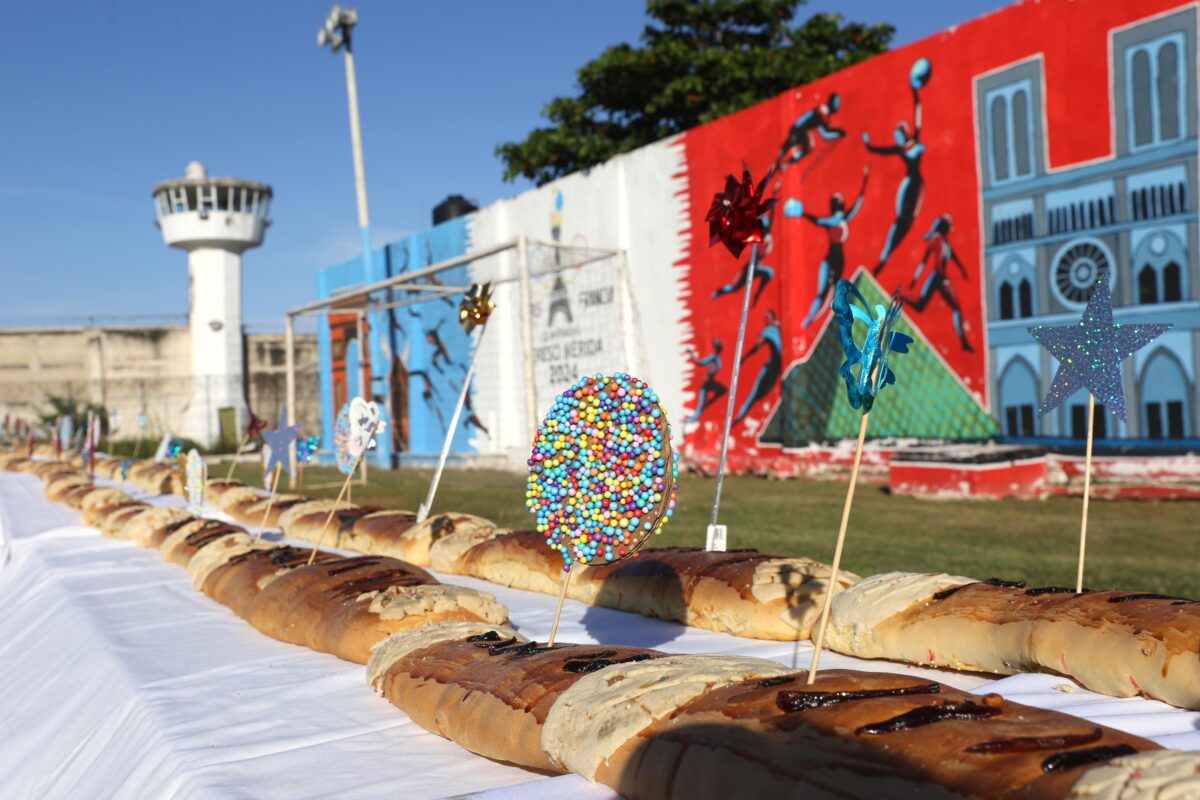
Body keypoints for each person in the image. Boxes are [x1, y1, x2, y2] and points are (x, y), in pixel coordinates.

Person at [864, 81, 926, 277]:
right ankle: (884, 257)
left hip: (917, 185)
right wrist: (869, 146)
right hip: (908, 184)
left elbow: (918, 110)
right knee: (899, 221)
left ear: (903, 133)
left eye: (897, 135)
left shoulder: (914, 139)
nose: (896, 139)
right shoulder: (900, 149)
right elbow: (883, 150)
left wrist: (914, 91)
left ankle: (886, 255)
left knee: (907, 222)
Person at [797, 166, 871, 328]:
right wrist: (802, 213)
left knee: (831, 293)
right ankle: (809, 319)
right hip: (832, 260)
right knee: (823, 292)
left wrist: (865, 179)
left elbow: (858, 201)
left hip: (836, 260)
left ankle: (823, 319)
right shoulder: (837, 220)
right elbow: (818, 221)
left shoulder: (840, 219)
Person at [904, 214, 974, 352]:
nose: (951, 228)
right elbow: (925, 261)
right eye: (949, 225)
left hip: (941, 278)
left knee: (955, 307)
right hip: (938, 278)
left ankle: (964, 341)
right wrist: (915, 278)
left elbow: (954, 257)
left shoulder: (946, 242)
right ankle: (901, 297)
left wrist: (963, 270)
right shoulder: (936, 239)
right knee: (920, 306)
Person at [774, 93, 845, 173]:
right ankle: (782, 159)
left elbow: (824, 133)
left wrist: (838, 133)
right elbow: (807, 117)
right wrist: (795, 127)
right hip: (801, 128)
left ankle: (786, 161)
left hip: (804, 129)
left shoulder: (825, 116)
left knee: (806, 145)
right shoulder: (822, 111)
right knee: (802, 144)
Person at [735, 311, 783, 425]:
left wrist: (744, 358)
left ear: (771, 318)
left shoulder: (769, 330)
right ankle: (739, 418)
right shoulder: (777, 329)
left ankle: (737, 419)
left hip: (771, 367)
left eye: (767, 318)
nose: (765, 320)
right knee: (757, 395)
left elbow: (757, 345)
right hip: (776, 367)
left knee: (754, 396)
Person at [685, 340, 727, 424]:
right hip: (706, 383)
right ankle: (690, 421)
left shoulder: (717, 360)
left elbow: (717, 368)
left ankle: (690, 420)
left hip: (709, 383)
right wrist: (692, 354)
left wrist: (713, 369)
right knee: (700, 405)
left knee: (702, 405)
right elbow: (700, 362)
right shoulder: (713, 357)